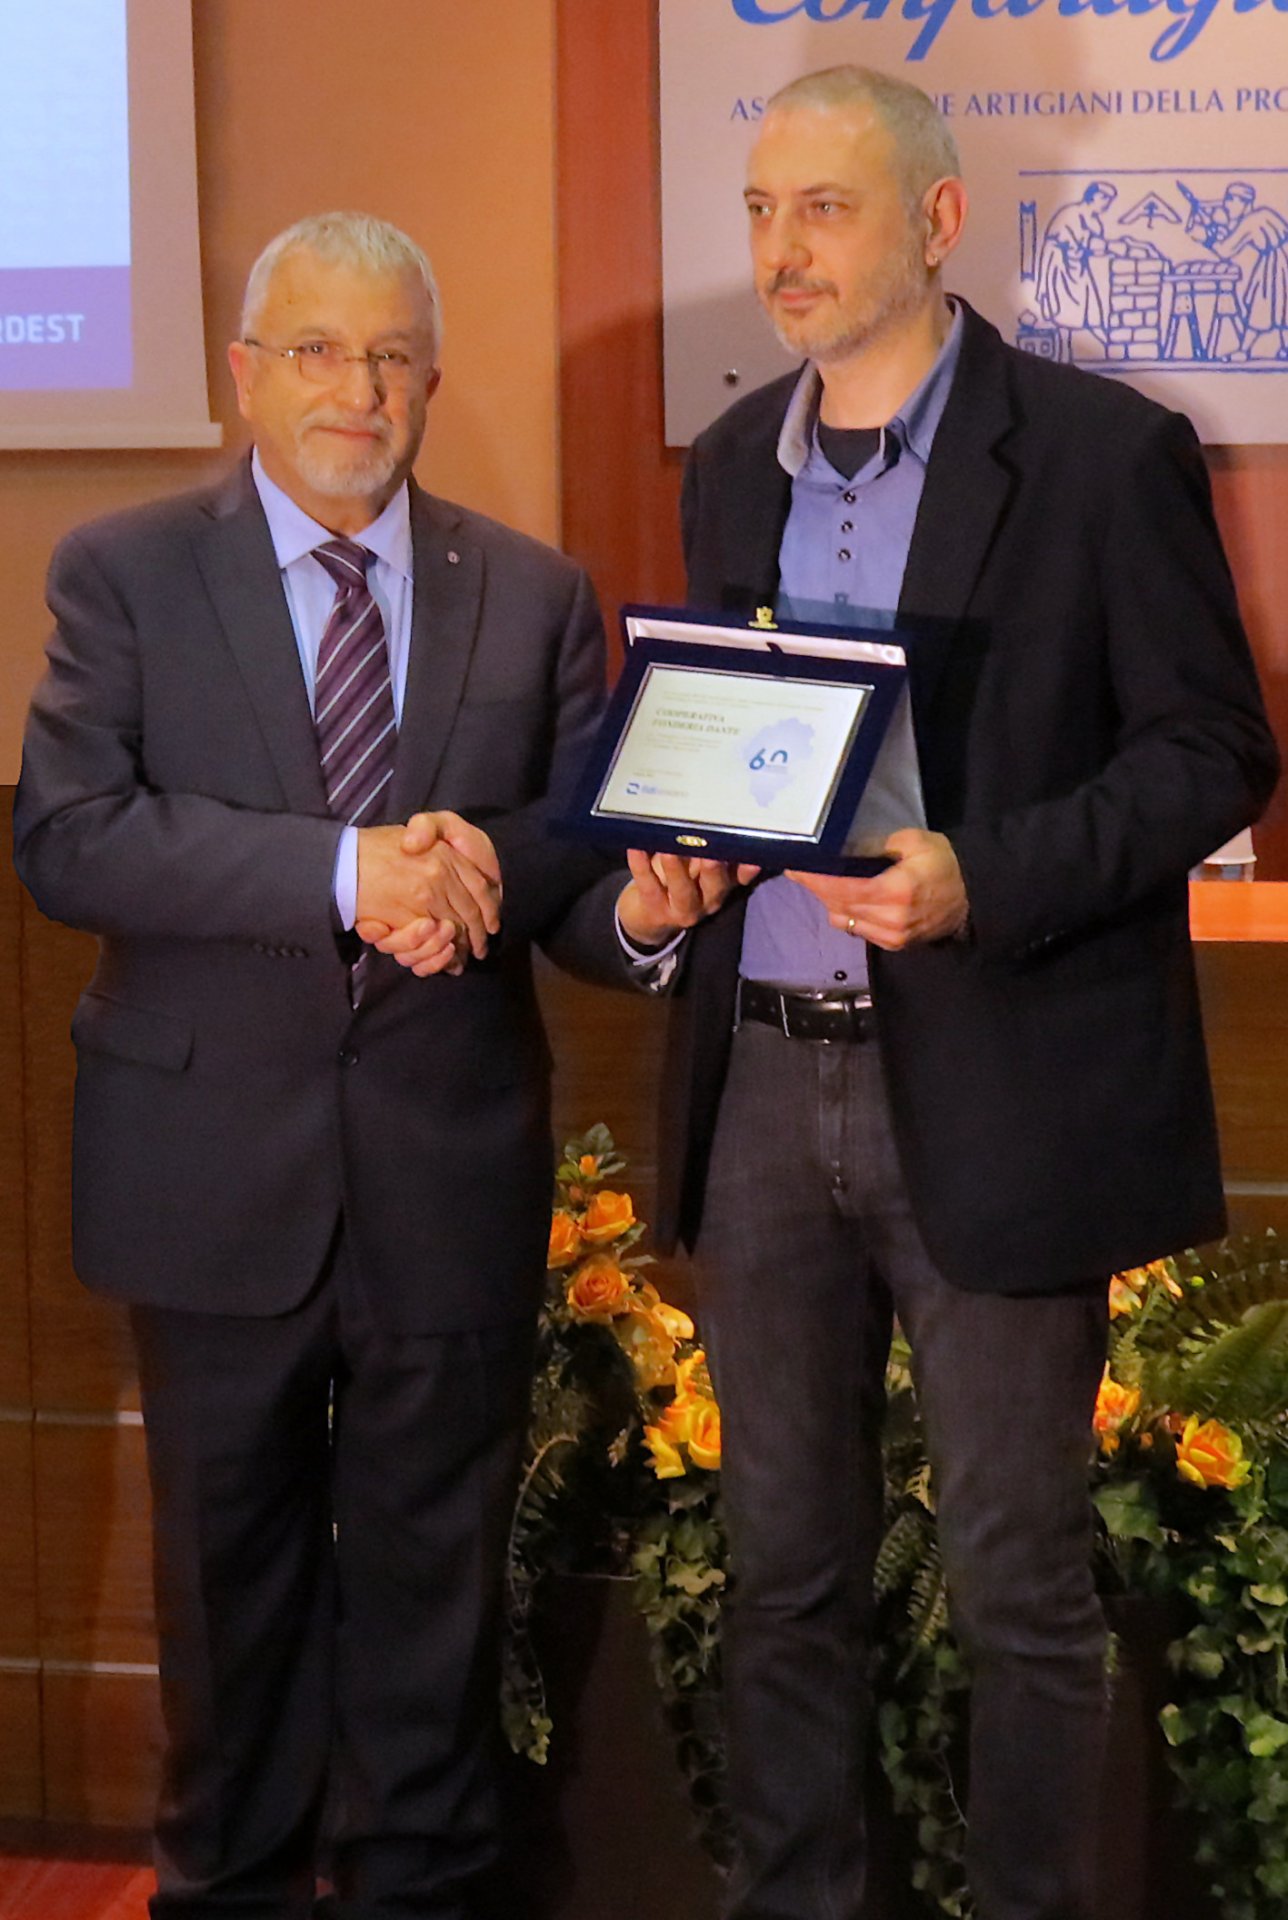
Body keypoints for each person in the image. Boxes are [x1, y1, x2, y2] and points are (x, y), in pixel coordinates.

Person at [635, 66, 1279, 1920]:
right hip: (761, 1084)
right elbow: (738, 751)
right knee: (780, 1574)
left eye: (822, 209)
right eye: (760, 211)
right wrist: (681, 868)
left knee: (1014, 1583)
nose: (779, 252)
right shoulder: (728, 463)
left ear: (936, 221)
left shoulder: (1098, 452)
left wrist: (980, 875)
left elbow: (1209, 753)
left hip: (1003, 1086)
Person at [11, 211, 705, 1920]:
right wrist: (345, 873)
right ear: (244, 374)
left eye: (392, 355)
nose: (357, 388)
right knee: (225, 1601)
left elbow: (561, 883)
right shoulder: (123, 570)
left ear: (432, 384)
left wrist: (640, 913)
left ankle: (418, 1891)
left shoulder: (532, 595)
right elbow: (72, 838)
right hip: (205, 1179)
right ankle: (229, 1890)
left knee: (432, 1606)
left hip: (441, 1177)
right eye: (317, 350)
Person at [1034, 180, 1119, 358]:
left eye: (1109, 200)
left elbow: (1093, 244)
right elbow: (1069, 242)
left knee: (1090, 306)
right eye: (1104, 198)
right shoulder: (1071, 214)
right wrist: (1100, 246)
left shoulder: (1094, 222)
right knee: (1063, 312)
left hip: (1078, 268)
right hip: (1060, 266)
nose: (1107, 204)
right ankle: (1062, 355)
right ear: (1094, 197)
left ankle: (1103, 347)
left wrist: (1107, 247)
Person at [1209, 181, 1288, 360]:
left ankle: (1244, 351)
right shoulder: (1262, 214)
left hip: (1276, 264)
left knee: (1263, 304)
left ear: (1244, 202)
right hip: (1279, 259)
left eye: (1231, 200)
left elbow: (1225, 251)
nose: (1226, 205)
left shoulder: (1251, 222)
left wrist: (1207, 238)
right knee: (1280, 306)